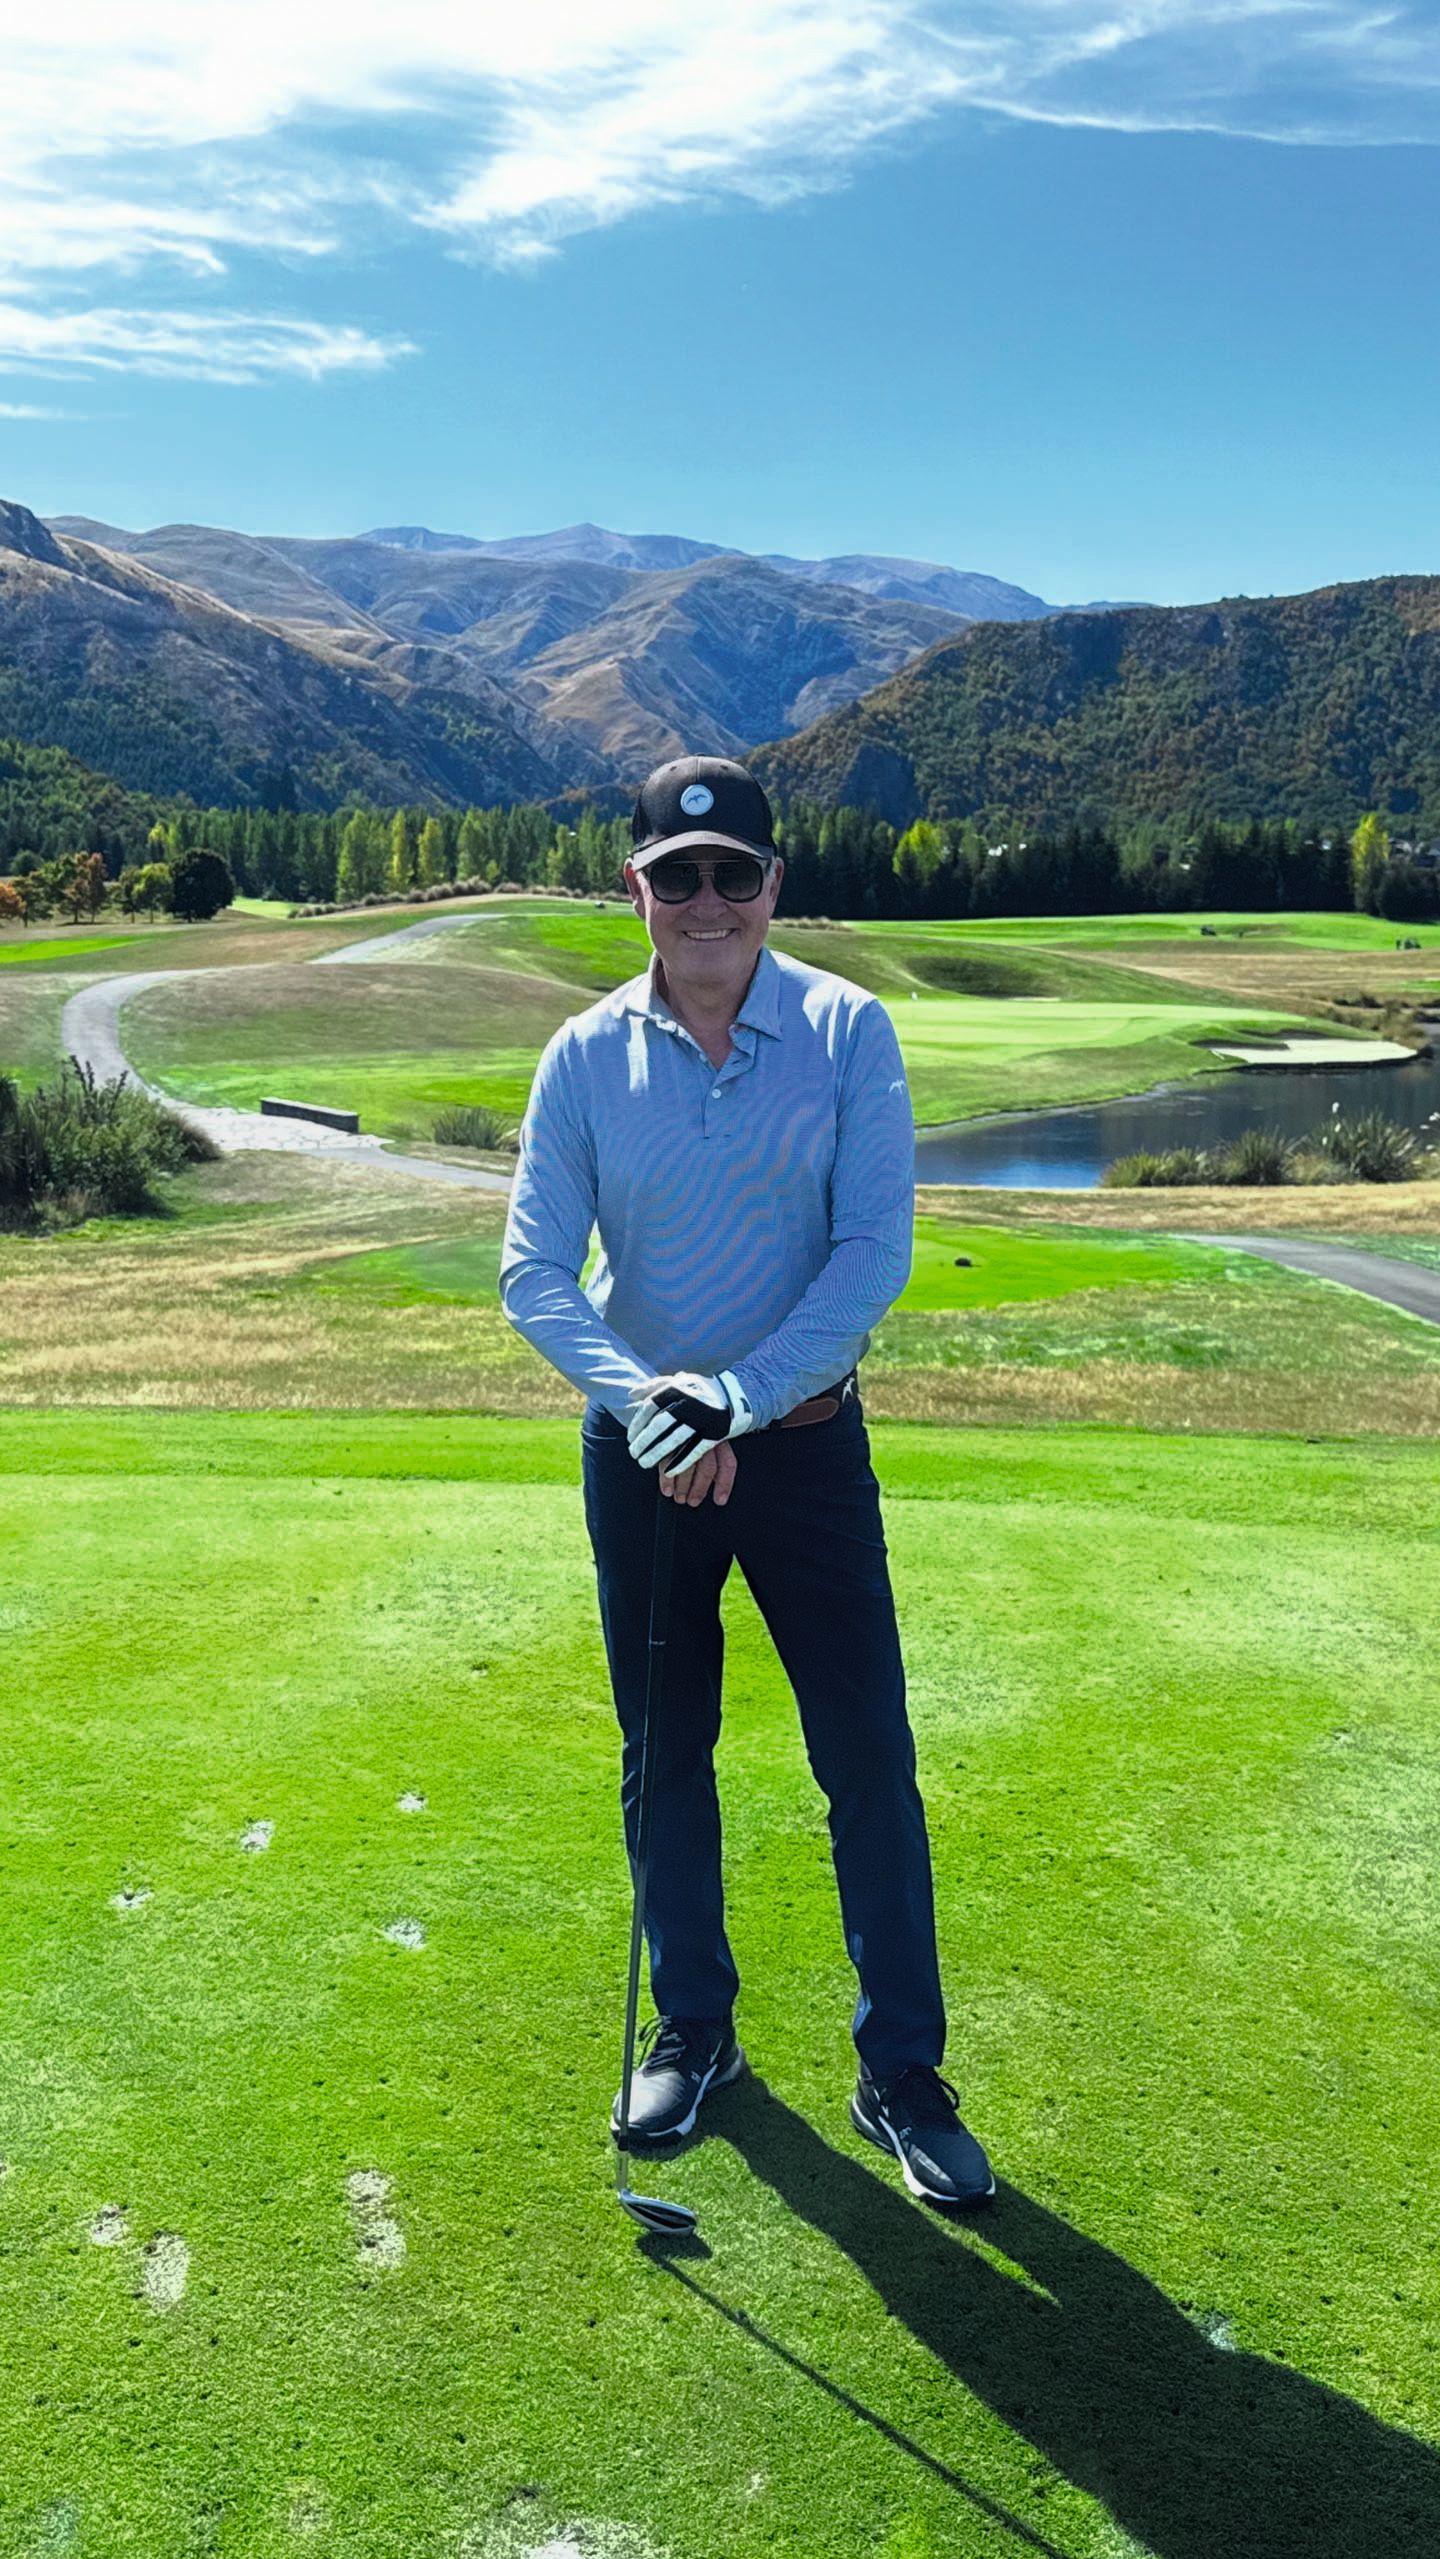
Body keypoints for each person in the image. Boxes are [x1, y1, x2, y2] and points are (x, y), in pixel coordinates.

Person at [499, 756, 994, 2207]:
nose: (707, 901)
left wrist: (736, 1394)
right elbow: (535, 1274)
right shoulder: (584, 1055)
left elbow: (870, 1259)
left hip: (805, 1449)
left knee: (867, 1760)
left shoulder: (851, 1031)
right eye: (679, 875)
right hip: (644, 1459)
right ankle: (696, 2032)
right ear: (637, 890)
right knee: (667, 1757)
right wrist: (651, 1405)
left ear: (775, 884)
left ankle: (902, 2070)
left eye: (735, 873)